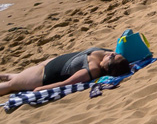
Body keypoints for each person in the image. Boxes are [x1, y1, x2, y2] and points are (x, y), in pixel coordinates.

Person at [0, 47, 130, 93]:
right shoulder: (106, 55)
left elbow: (69, 82)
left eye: (113, 57)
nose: (112, 53)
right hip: (47, 65)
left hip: (41, 76)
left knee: (10, 85)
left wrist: (40, 90)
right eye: (115, 54)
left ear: (106, 67)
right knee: (10, 76)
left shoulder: (93, 69)